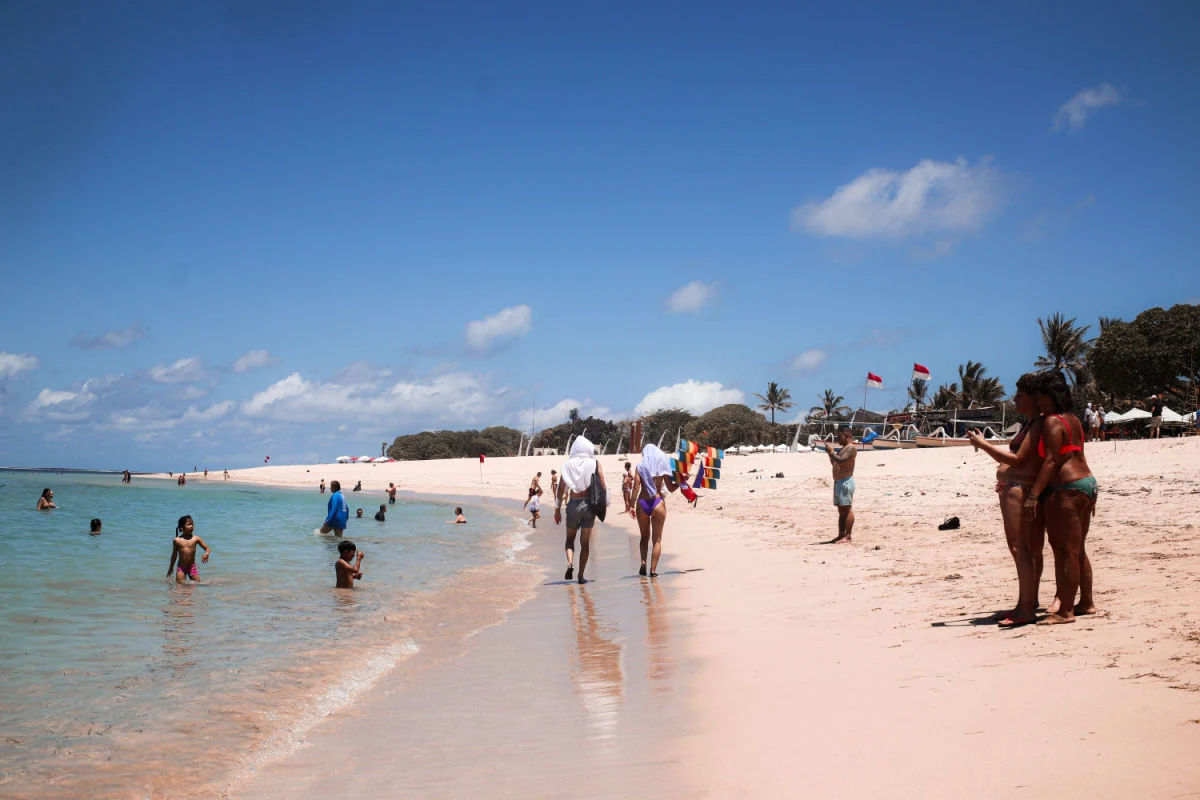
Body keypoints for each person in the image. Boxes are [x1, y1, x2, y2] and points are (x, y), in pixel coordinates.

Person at [968, 373, 1047, 626]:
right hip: (1016, 487)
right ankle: (1027, 601)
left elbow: (1018, 460)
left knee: (1020, 548)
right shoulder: (1031, 424)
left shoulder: (1037, 424)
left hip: (1019, 488)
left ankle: (1026, 607)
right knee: (1029, 548)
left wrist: (984, 445)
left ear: (1033, 398)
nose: (1015, 400)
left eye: (1019, 396)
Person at [1027, 370, 1098, 625]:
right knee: (1078, 549)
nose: (1037, 401)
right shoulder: (1074, 420)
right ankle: (1086, 602)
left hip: (1067, 488)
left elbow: (1051, 461)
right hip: (1087, 483)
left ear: (1049, 396)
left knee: (1065, 551)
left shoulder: (1051, 421)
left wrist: (1033, 495)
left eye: (1039, 396)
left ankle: (1066, 611)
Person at [630, 444, 687, 578]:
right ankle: (653, 570)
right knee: (657, 540)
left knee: (644, 537)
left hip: (643, 502)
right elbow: (670, 488)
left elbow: (636, 486)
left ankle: (643, 563)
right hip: (657, 502)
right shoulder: (662, 466)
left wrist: (631, 505)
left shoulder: (640, 466)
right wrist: (682, 481)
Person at [554, 436, 605, 584]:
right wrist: (602, 507)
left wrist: (557, 509)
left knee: (570, 540)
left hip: (573, 504)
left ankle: (570, 563)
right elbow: (602, 486)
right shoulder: (595, 463)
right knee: (585, 543)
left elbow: (561, 489)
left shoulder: (568, 465)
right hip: (589, 505)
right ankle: (581, 576)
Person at [821, 428, 857, 543]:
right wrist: (830, 454)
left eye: (839, 437)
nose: (838, 439)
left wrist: (831, 452)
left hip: (845, 482)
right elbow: (835, 462)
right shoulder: (843, 448)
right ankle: (841, 534)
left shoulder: (851, 448)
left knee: (847, 509)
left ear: (847, 436)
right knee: (841, 511)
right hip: (839, 482)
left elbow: (841, 460)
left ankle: (848, 536)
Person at [167, 515, 210, 583]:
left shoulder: (196, 539)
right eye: (189, 524)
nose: (191, 526)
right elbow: (174, 555)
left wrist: (206, 554)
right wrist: (171, 567)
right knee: (180, 586)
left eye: (192, 524)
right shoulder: (177, 540)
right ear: (181, 528)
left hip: (192, 567)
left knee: (198, 585)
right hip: (181, 568)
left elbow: (207, 548)